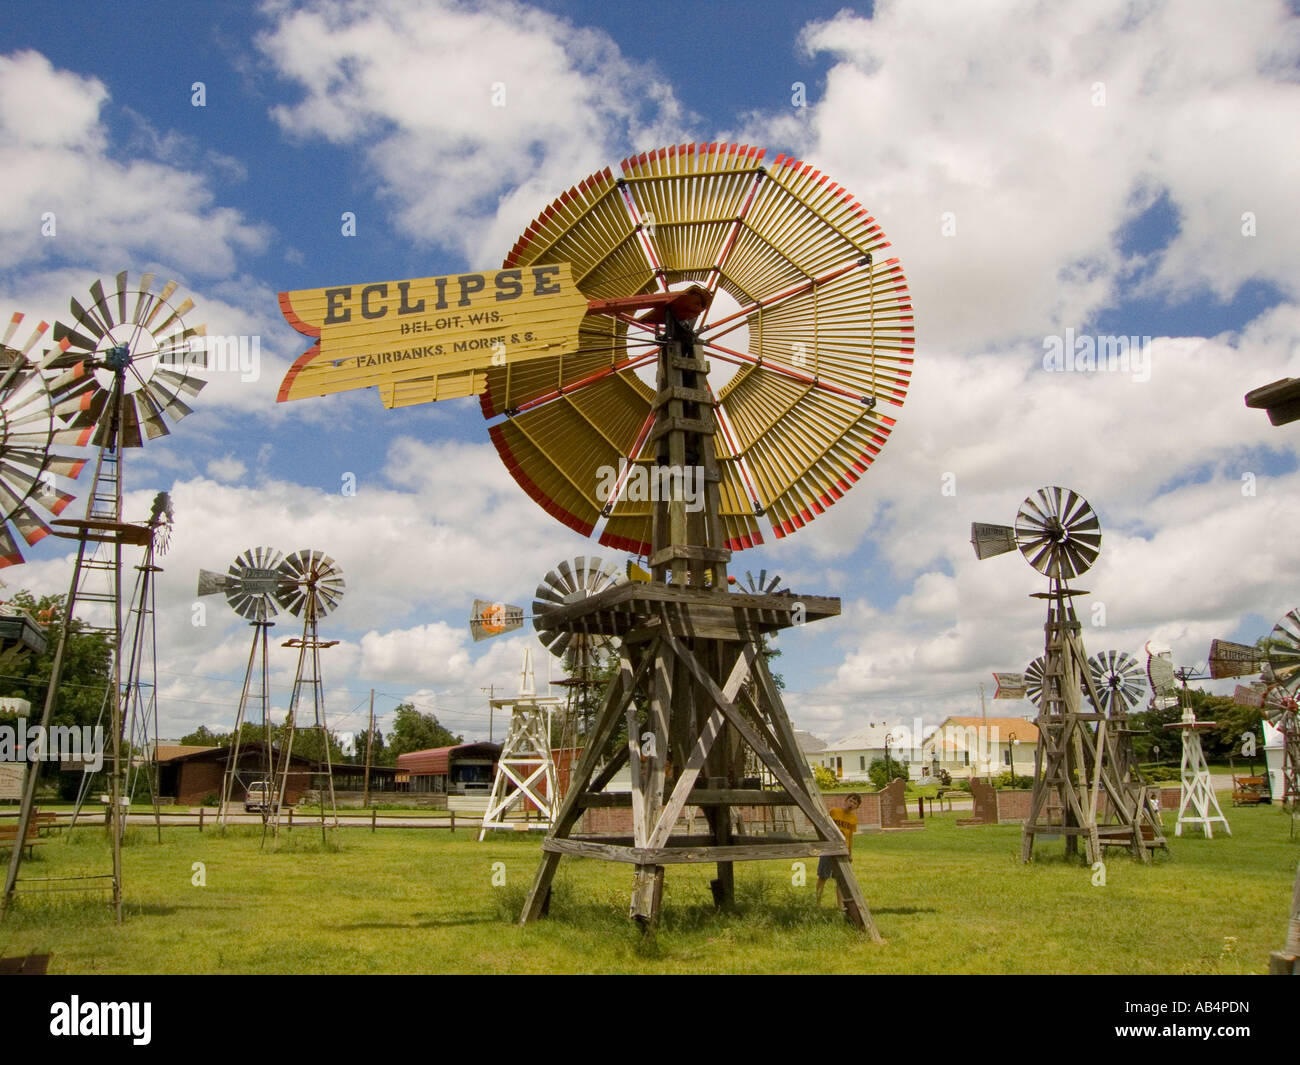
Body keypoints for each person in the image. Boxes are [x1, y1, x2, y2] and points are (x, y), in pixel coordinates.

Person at [816, 792, 861, 908]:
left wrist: (850, 853)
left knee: (840, 880)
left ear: (856, 807)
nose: (852, 804)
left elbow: (850, 836)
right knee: (823, 876)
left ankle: (840, 906)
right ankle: (817, 903)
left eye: (855, 803)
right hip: (829, 847)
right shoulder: (834, 812)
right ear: (845, 801)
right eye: (851, 800)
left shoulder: (853, 819)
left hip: (842, 850)